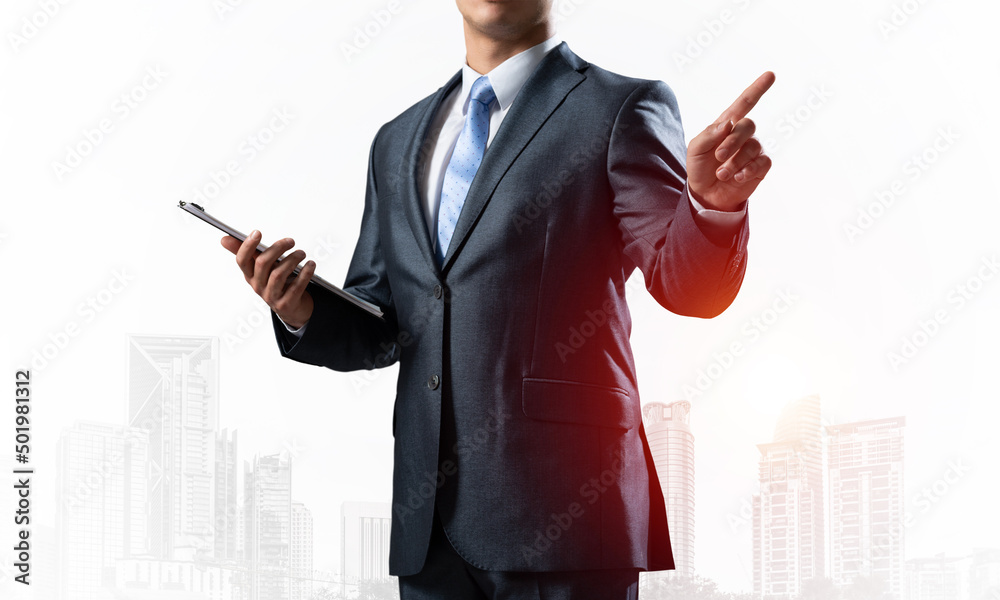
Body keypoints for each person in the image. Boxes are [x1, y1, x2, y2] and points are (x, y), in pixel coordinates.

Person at [221, 1, 773, 598]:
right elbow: (385, 323)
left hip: (567, 515)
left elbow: (688, 286)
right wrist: (298, 308)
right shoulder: (397, 140)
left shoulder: (621, 108)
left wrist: (712, 211)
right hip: (429, 528)